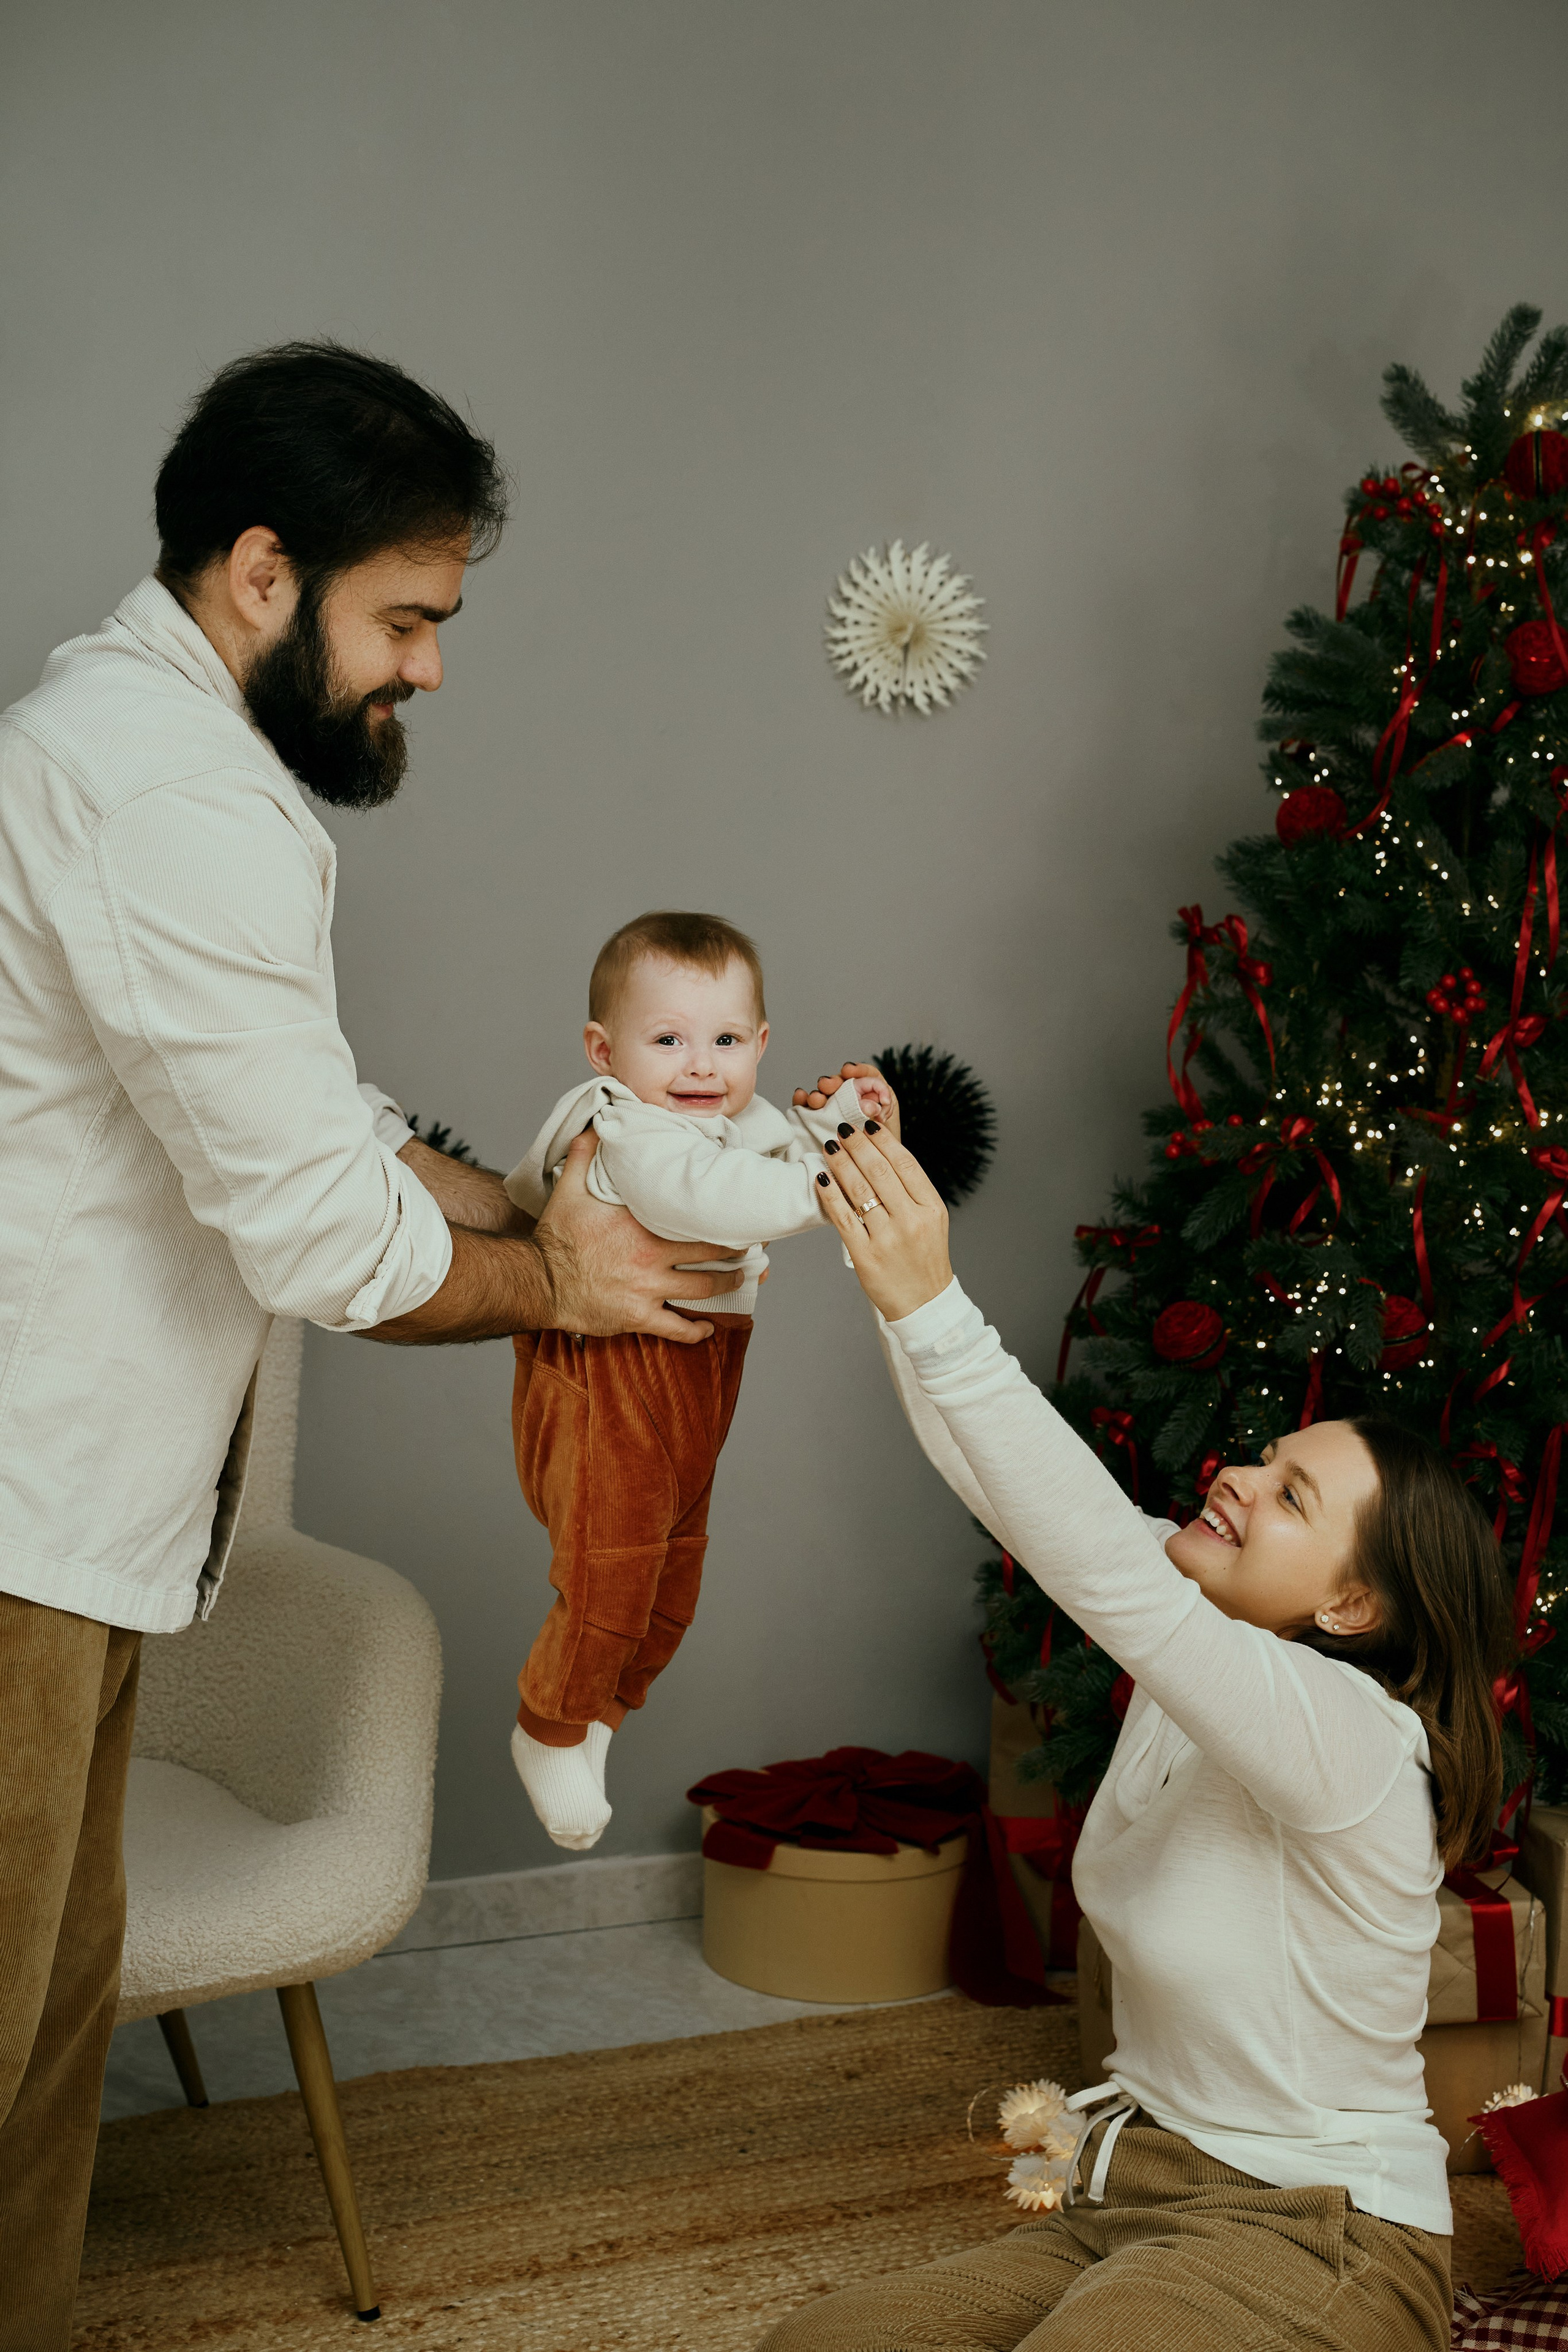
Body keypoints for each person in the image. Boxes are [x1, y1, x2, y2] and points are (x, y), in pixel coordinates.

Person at [0, 342, 745, 2350]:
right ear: (263, 571)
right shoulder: (170, 799)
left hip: (75, 1539)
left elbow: (322, 1121)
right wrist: (567, 1289)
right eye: (406, 619)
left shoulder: (154, 752)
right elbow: (329, 1234)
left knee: (49, 2029)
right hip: (18, 1534)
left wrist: (519, 1195)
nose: (430, 669)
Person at [761, 1108, 1511, 2352]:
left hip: (1319, 2232)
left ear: (1349, 1602)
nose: (1235, 1476)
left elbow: (1102, 1567)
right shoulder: (1203, 1660)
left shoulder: (1347, 1738)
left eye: (1287, 1497)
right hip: (1129, 2198)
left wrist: (939, 1302)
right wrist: (881, 1257)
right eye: (1261, 1458)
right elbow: (1004, 1484)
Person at [502, 910, 892, 1848]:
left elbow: (795, 1158)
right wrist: (827, 1188)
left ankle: (599, 1716)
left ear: (761, 1044)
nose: (699, 1066)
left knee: (673, 1580)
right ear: (605, 1050)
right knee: (613, 1566)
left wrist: (851, 1132)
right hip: (612, 1367)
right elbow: (706, 1198)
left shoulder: (736, 1118)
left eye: (724, 1040)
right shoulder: (630, 1127)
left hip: (699, 1369)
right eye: (667, 1040)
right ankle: (547, 1727)